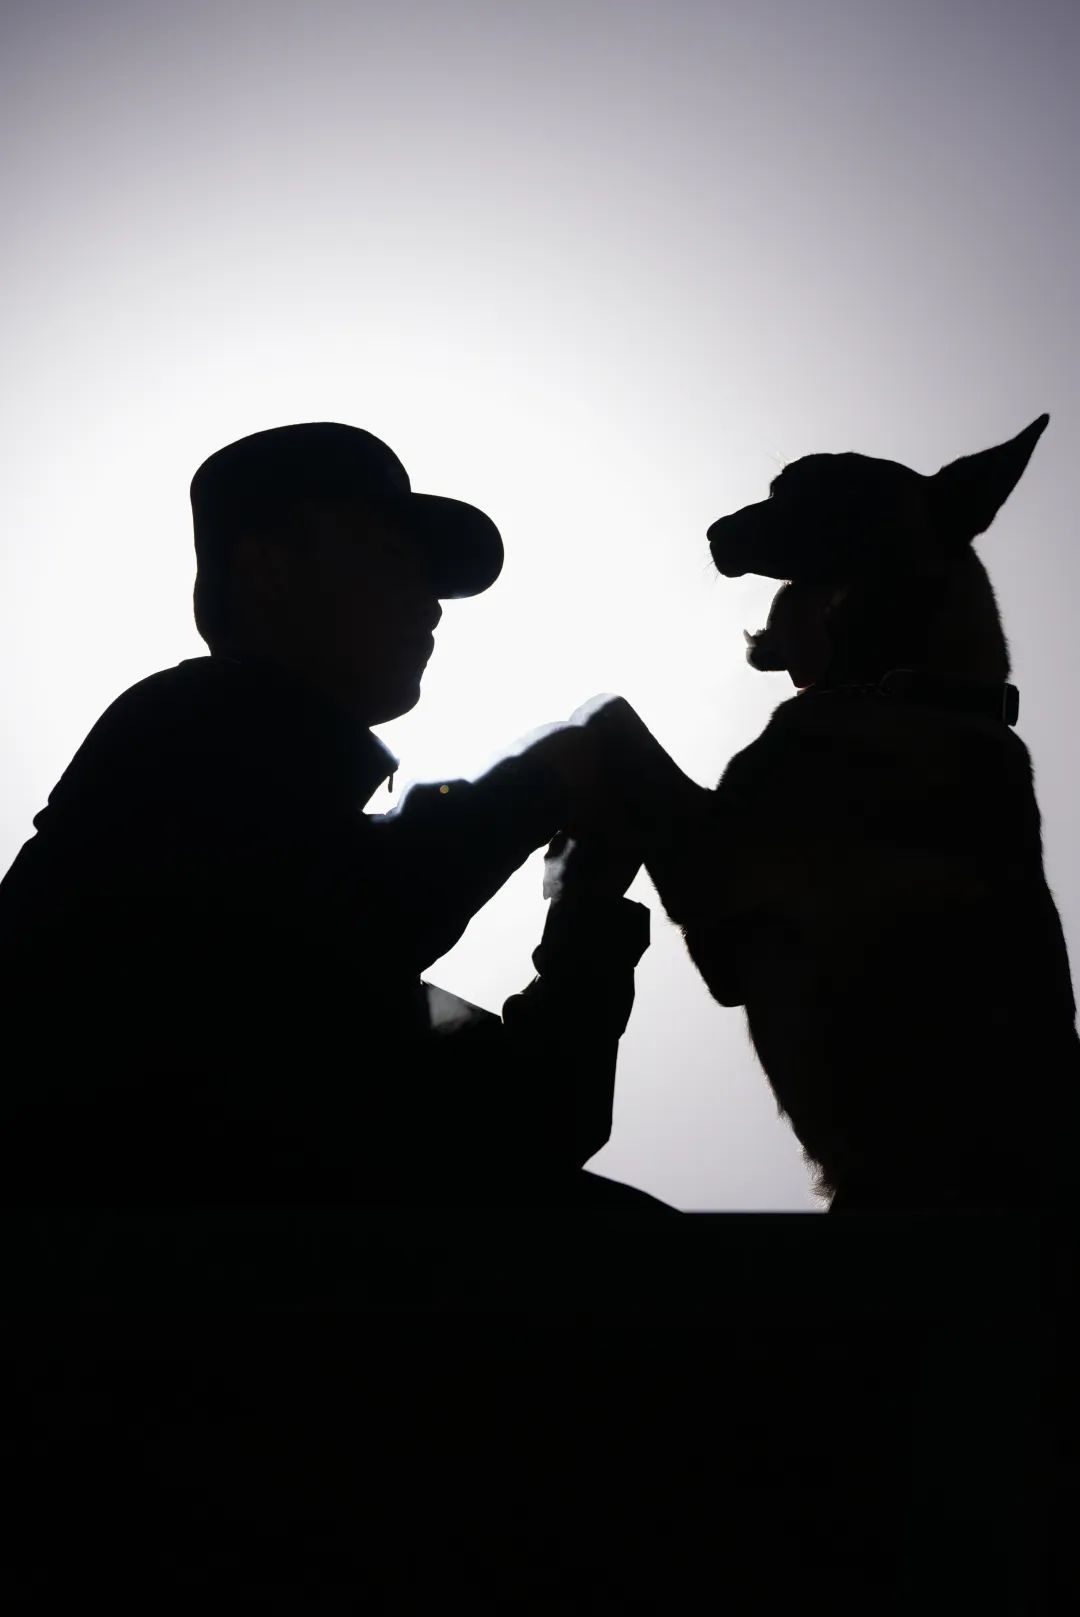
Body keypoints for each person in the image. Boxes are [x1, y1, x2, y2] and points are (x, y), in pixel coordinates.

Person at [0, 422, 672, 1212]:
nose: (431, 605)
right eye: (392, 557)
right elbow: (348, 907)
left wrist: (590, 900)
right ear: (269, 567)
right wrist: (547, 779)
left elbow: (538, 1118)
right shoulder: (184, 728)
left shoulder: (321, 991)